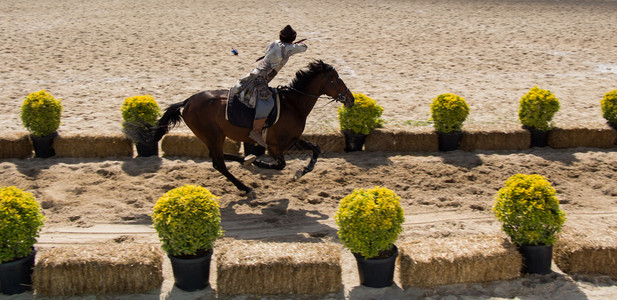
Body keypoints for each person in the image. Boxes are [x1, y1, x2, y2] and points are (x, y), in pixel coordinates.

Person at [230, 25, 308, 147]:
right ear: (293, 38)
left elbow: (271, 52)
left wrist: (290, 45)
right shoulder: (288, 48)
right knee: (268, 103)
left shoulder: (274, 43)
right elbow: (304, 48)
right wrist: (293, 45)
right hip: (260, 78)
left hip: (256, 74)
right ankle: (256, 132)